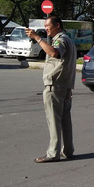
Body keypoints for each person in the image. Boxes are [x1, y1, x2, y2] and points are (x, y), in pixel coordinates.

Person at [26, 16, 77, 163]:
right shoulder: (68, 40)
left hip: (55, 85)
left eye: (48, 26)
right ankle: (68, 150)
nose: (46, 28)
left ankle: (53, 153)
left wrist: (37, 38)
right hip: (65, 86)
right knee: (65, 120)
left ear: (58, 25)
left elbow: (54, 53)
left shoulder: (60, 39)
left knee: (54, 120)